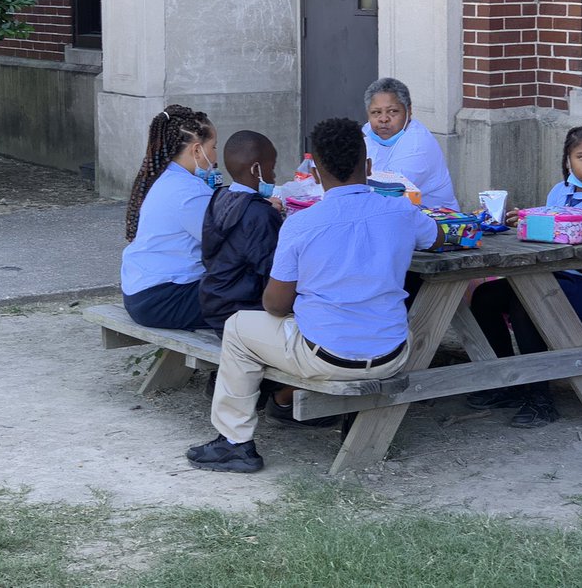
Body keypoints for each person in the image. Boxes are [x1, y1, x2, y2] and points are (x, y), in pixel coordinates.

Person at [186, 117, 445, 473]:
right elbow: (438, 238)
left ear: (316, 173)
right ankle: (285, 404)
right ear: (368, 166)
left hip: (326, 358)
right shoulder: (401, 210)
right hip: (393, 354)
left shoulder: (301, 223)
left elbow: (275, 305)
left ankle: (235, 441)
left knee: (238, 328)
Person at [467, 121, 582, 428]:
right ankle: (506, 381)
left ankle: (540, 399)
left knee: (528, 305)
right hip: (555, 277)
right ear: (568, 159)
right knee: (485, 296)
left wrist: (540, 229)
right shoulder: (560, 191)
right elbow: (552, 231)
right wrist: (525, 220)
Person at [120, 105, 218, 330]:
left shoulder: (167, 177)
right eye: (213, 147)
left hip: (141, 292)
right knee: (254, 296)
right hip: (165, 298)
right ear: (196, 150)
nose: (214, 157)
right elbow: (222, 242)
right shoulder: (189, 192)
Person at [198, 130, 284, 334]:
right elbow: (272, 272)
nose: (273, 176)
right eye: (271, 169)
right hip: (243, 310)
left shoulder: (220, 197)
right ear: (256, 169)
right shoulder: (261, 215)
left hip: (213, 302)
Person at [361, 77, 458, 211]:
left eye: (393, 111)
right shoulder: (367, 131)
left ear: (409, 111)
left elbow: (389, 193)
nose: (383, 119)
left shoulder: (417, 145)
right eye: (376, 112)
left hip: (436, 224)